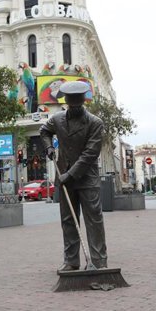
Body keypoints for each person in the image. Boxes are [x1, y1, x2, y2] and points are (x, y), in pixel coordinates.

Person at [40, 80, 107, 271]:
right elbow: (44, 131)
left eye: (78, 102)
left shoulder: (95, 123)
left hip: (86, 178)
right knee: (69, 221)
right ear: (67, 100)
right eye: (72, 102)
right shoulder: (57, 119)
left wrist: (70, 174)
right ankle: (71, 261)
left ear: (84, 100)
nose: (75, 105)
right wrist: (49, 147)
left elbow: (90, 154)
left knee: (93, 220)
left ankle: (98, 261)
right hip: (65, 178)